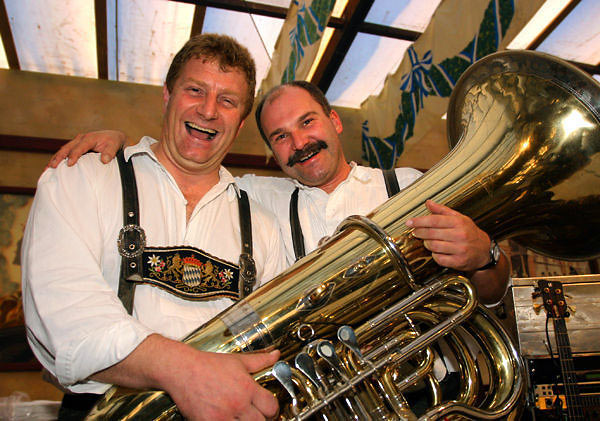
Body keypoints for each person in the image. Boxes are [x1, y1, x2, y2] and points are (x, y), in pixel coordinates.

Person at [53, 81, 510, 305]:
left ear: (334, 121)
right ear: (271, 153)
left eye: (307, 123)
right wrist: (123, 143)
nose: (299, 143)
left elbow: (493, 292)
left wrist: (484, 256)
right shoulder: (255, 196)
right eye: (281, 137)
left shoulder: (411, 185)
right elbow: (183, 161)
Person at [23, 34, 286, 420]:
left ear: (241, 121)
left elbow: (268, 335)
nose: (209, 111)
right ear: (167, 95)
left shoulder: (261, 222)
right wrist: (186, 371)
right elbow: (63, 314)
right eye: (195, 90)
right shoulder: (83, 178)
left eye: (227, 101)